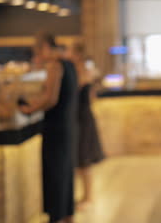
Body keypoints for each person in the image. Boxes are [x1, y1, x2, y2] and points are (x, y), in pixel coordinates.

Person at [19, 32, 78, 223]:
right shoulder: (70, 64)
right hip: (68, 125)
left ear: (45, 47)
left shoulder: (55, 65)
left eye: (38, 50)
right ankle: (67, 214)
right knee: (65, 171)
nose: (38, 55)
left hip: (56, 126)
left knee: (54, 173)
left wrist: (30, 109)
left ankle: (56, 217)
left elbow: (51, 98)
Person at [67, 41, 105, 210]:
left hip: (83, 119)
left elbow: (87, 95)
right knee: (80, 160)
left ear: (77, 54)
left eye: (70, 50)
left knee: (84, 160)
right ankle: (84, 196)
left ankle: (88, 197)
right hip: (77, 118)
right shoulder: (78, 71)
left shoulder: (84, 72)